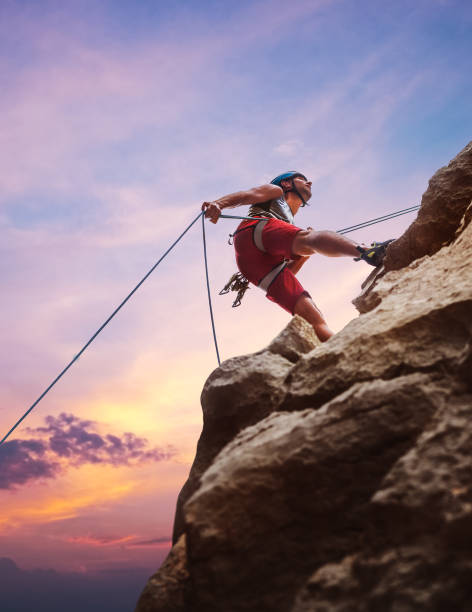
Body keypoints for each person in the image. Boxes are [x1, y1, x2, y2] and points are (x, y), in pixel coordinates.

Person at [202, 171, 392, 342]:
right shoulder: (275, 191)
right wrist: (219, 204)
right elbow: (247, 195)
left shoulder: (287, 220)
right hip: (254, 230)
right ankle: (367, 251)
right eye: (302, 179)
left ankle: (339, 348)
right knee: (308, 239)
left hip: (254, 264)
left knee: (313, 318)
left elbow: (288, 272)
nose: (309, 182)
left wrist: (304, 254)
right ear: (286, 184)